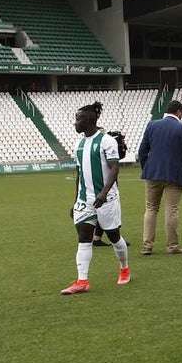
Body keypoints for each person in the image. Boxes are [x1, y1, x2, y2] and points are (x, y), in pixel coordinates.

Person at [61, 102, 130, 294]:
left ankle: (124, 267)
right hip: (85, 200)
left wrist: (104, 192)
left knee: (114, 236)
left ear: (90, 120)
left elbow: (114, 168)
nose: (75, 123)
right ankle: (82, 281)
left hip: (106, 198)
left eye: (78, 119)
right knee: (84, 238)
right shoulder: (79, 143)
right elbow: (79, 173)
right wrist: (76, 200)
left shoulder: (107, 141)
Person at [136, 100, 182, 256]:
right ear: (179, 112)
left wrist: (148, 168)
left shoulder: (152, 125)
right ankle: (172, 246)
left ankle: (147, 246)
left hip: (153, 173)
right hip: (174, 174)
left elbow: (142, 151)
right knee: (171, 210)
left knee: (151, 209)